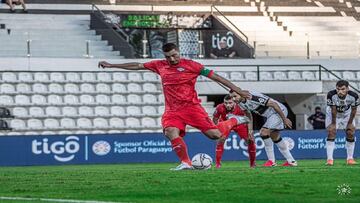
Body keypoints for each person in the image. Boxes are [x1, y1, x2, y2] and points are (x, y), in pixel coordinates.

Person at [98, 43, 251, 170]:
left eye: (174, 55)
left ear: (178, 52)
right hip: (172, 110)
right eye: (168, 56)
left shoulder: (192, 65)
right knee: (170, 131)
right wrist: (112, 65)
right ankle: (186, 162)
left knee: (215, 136)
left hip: (192, 108)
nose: (171, 59)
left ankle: (235, 120)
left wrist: (238, 91)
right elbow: (138, 65)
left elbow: (216, 77)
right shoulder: (159, 65)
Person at [230, 90, 297, 167]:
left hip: (278, 111)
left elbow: (274, 104)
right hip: (270, 115)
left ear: (241, 94)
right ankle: (291, 161)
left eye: (235, 96)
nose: (234, 99)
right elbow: (248, 115)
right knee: (275, 137)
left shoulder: (252, 97)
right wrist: (250, 130)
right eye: (232, 97)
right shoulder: (240, 103)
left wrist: (284, 119)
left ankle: (271, 161)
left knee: (263, 132)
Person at [213, 94, 256, 168]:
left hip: (239, 124)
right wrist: (216, 128)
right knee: (221, 140)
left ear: (234, 102)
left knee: (250, 140)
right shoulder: (220, 107)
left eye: (230, 103)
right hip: (225, 123)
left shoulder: (241, 107)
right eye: (226, 103)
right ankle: (218, 164)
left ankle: (252, 164)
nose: (227, 105)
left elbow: (249, 117)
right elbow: (215, 118)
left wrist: (250, 130)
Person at [325, 80, 359, 166]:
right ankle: (329, 159)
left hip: (347, 114)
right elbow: (333, 109)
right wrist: (333, 124)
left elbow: (354, 110)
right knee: (331, 132)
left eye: (343, 89)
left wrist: (350, 123)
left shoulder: (354, 96)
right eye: (338, 89)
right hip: (333, 114)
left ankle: (350, 158)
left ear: (347, 89)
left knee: (350, 132)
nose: (340, 91)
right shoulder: (331, 94)